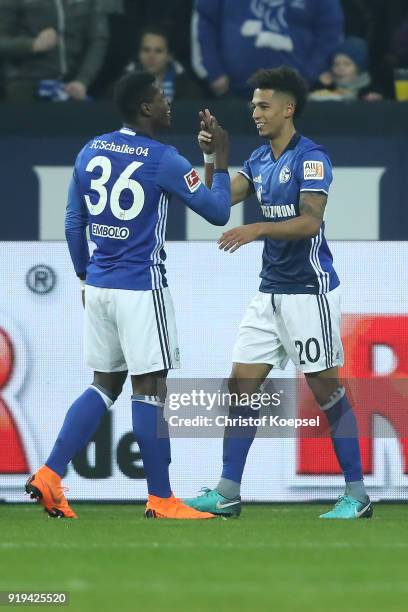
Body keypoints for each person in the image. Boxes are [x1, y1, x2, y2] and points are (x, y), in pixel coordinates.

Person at [25, 71, 231, 520]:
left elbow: (73, 223)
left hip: (98, 286)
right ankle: (161, 499)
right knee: (151, 390)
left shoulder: (90, 149)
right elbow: (217, 212)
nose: (168, 103)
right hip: (140, 289)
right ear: (144, 107)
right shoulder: (165, 160)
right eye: (161, 96)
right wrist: (217, 160)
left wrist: (84, 277)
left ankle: (50, 474)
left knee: (104, 385)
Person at [184, 66, 372, 520]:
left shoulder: (312, 158)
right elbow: (213, 206)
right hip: (269, 294)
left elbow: (311, 222)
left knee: (326, 393)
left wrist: (257, 228)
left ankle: (358, 495)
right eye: (252, 106)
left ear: (288, 109)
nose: (255, 113)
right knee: (241, 385)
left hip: (310, 293)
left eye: (263, 105)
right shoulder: (260, 160)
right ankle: (228, 492)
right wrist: (214, 159)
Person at [191, 0, 344, 97]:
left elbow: (331, 32)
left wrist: (310, 76)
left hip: (295, 95)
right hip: (233, 92)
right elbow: (205, 22)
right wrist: (214, 71)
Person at [0, 0, 108, 102]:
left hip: (71, 87)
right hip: (25, 85)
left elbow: (98, 40)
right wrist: (32, 45)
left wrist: (82, 80)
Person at [125, 26, 202, 102]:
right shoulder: (123, 86)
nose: (151, 56)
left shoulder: (189, 89)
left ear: (169, 56)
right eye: (146, 50)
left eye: (158, 51)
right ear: (139, 53)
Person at [310, 36, 382, 101]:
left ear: (359, 68)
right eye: (336, 64)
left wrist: (373, 99)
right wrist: (319, 85)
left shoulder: (369, 89)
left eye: (347, 64)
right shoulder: (328, 88)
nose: (341, 68)